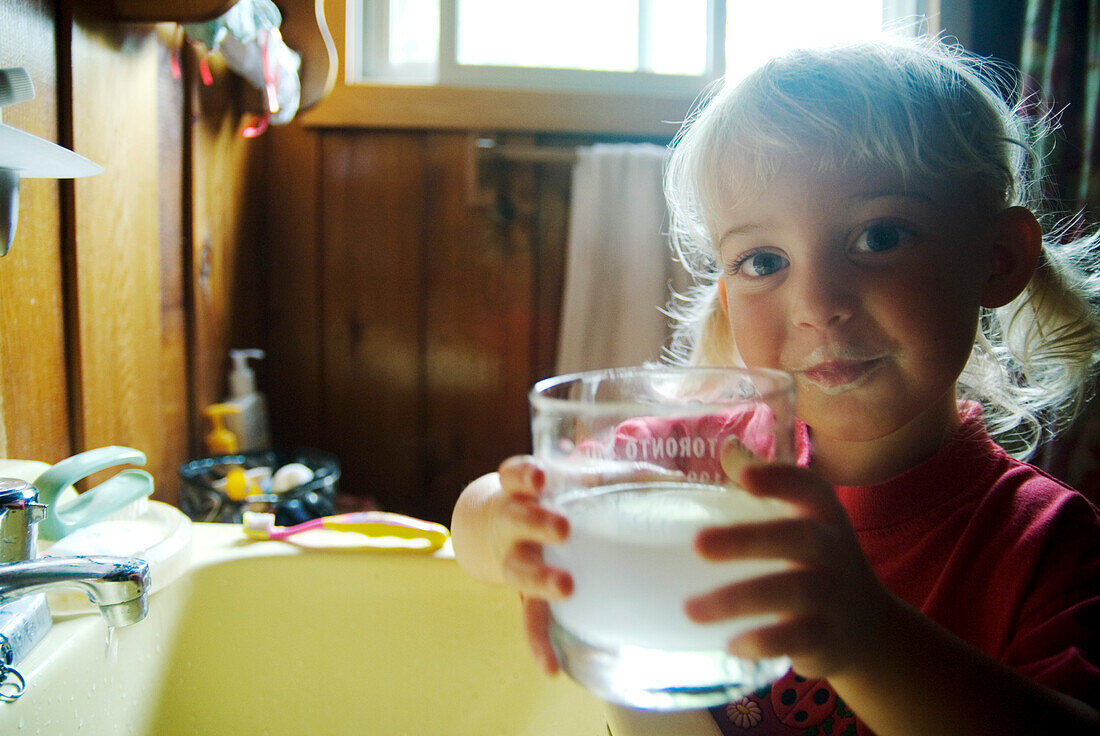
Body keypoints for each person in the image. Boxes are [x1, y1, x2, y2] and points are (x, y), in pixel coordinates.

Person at [450, 35, 1100, 735]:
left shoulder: (1046, 545)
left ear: (998, 259)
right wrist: (515, 529)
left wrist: (866, 638)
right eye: (764, 260)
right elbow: (470, 518)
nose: (817, 304)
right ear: (726, 299)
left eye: (880, 237)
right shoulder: (686, 464)